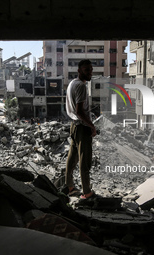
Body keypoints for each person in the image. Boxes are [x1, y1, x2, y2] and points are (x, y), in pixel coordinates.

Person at [64, 59, 96, 199]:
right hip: (82, 127)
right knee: (85, 160)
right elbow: (80, 111)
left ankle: (69, 186)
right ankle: (86, 192)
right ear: (79, 71)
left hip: (74, 126)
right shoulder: (81, 86)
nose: (90, 73)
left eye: (90, 69)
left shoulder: (72, 83)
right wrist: (92, 126)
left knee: (72, 158)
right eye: (86, 70)